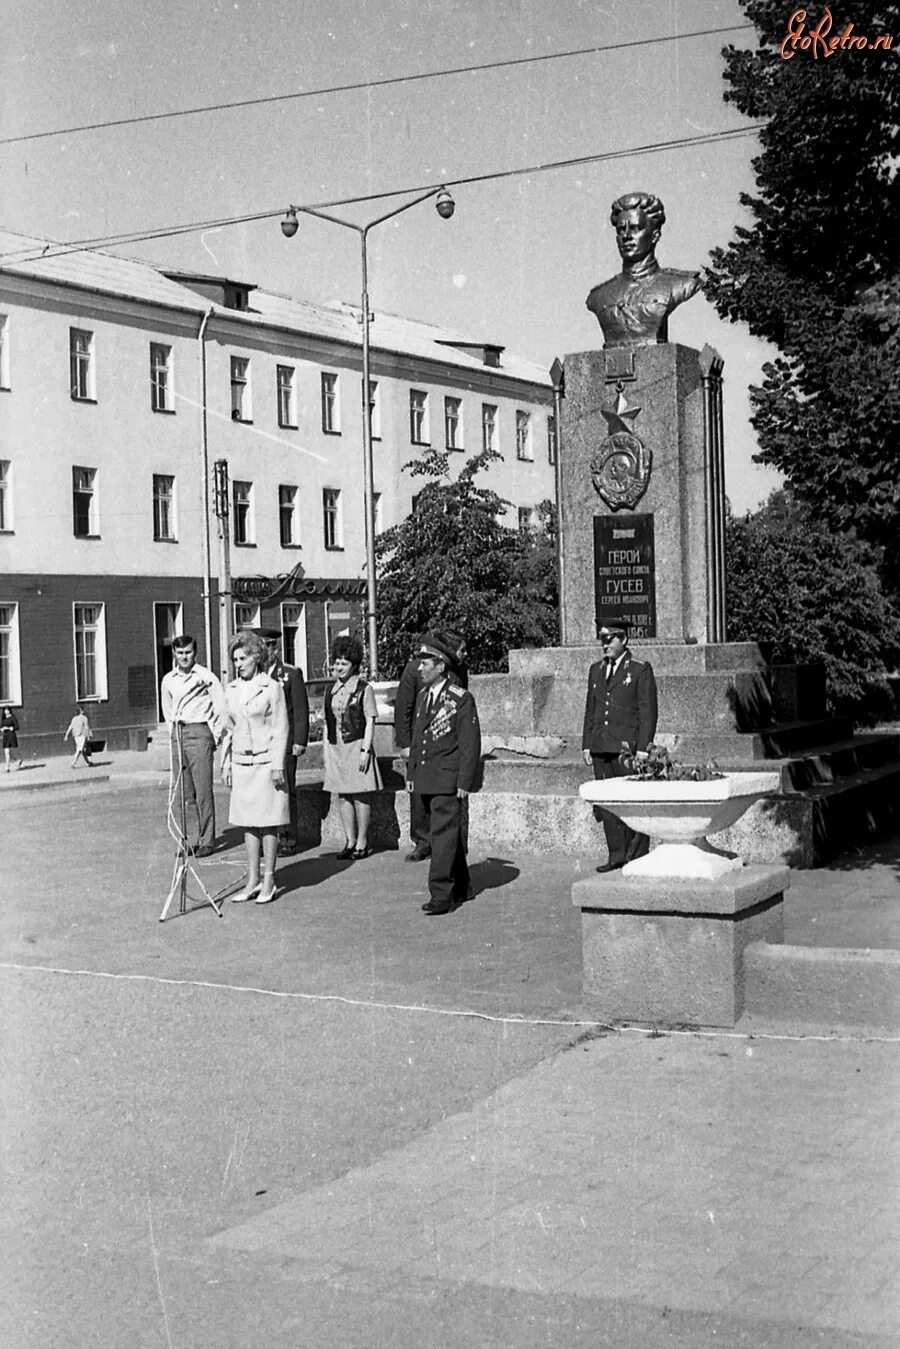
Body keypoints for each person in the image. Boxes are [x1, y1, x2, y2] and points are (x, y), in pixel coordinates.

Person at [406, 630, 481, 916]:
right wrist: (412, 774)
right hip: (426, 776)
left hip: (448, 779)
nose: (420, 668)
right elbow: (418, 737)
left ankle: (441, 894)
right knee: (446, 835)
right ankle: (461, 884)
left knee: (442, 836)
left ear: (440, 666)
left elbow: (470, 743)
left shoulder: (460, 698)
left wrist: (465, 781)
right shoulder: (424, 695)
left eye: (425, 663)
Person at [581, 620, 658, 872]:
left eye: (610, 639)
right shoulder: (596, 670)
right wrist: (586, 744)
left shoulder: (639, 669)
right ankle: (616, 855)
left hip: (627, 749)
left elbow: (648, 712)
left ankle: (636, 856)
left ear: (623, 640)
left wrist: (644, 747)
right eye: (603, 639)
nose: (605, 644)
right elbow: (591, 710)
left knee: (631, 803)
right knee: (608, 805)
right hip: (601, 746)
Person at [220, 630, 290, 904]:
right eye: (235, 659)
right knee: (247, 822)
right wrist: (225, 764)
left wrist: (277, 765)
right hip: (242, 763)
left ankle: (269, 880)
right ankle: (252, 880)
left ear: (256, 657)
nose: (238, 664)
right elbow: (228, 730)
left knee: (268, 822)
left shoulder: (272, 687)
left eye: (243, 658)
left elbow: (281, 728)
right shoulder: (232, 689)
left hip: (265, 763)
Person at [585, 191, 700, 348]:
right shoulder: (599, 296)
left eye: (635, 228)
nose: (626, 236)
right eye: (620, 230)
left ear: (655, 235)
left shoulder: (680, 283)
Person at [394, 628, 468, 862]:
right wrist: (405, 744)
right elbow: (403, 708)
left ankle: (445, 843)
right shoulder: (414, 670)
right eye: (461, 650)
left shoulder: (458, 672)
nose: (464, 655)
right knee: (419, 797)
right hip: (420, 745)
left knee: (444, 800)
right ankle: (422, 841)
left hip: (446, 747)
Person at [160, 634, 225, 857]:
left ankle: (207, 840)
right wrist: (173, 734)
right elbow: (167, 710)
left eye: (188, 652)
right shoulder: (169, 679)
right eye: (180, 653)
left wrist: (214, 736)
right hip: (179, 732)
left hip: (200, 732)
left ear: (194, 653)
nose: (184, 657)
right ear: (174, 654)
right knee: (183, 791)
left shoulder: (206, 677)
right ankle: (188, 840)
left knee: (203, 790)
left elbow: (220, 708)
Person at [323, 635, 382, 859]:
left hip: (356, 744)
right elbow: (328, 720)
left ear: (354, 665)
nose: (339, 667)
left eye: (344, 663)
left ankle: (363, 841)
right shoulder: (331, 690)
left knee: (360, 795)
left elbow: (370, 721)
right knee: (343, 795)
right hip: (337, 747)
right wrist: (327, 754)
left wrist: (366, 751)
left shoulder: (364, 689)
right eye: (337, 662)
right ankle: (349, 840)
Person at [255, 627, 310, 857]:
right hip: (260, 744)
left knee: (285, 791)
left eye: (270, 645)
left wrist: (299, 740)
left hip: (284, 743)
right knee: (262, 792)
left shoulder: (290, 674)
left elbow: (300, 710)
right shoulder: (252, 676)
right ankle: (265, 840)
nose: (267, 650)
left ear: (276, 648)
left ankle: (287, 838)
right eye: (262, 646)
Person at [1, 706, 21, 771]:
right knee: (7, 752)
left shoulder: (13, 718)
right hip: (5, 736)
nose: (6, 711)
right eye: (5, 710)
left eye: (7, 710)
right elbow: (1, 726)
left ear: (9, 710)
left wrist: (12, 728)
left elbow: (17, 726)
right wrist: (2, 729)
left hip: (11, 735)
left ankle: (7, 767)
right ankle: (17, 760)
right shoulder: (3, 719)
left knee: (7, 752)